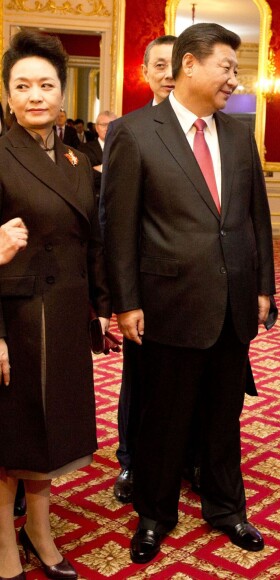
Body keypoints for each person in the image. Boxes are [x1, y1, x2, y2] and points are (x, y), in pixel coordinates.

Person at [102, 23, 275, 563]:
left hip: (234, 303)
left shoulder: (240, 133)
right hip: (166, 305)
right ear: (189, 65)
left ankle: (227, 508)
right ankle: (154, 515)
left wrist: (264, 286)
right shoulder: (135, 132)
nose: (234, 78)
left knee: (224, 416)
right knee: (164, 417)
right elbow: (120, 227)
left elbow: (257, 220)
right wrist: (125, 301)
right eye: (226, 66)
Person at [0, 30, 111, 580]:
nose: (35, 95)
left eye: (46, 84)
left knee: (50, 432)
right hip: (15, 317)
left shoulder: (76, 158)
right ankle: (5, 543)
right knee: (13, 433)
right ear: (7, 94)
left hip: (65, 313)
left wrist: (103, 306)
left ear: (62, 94)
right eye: (23, 85)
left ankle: (40, 531)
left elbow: (91, 240)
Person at [109, 34, 176, 505]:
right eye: (160, 65)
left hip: (195, 287)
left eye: (177, 64)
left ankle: (184, 458)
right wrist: (123, 297)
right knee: (140, 380)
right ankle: (131, 461)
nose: (169, 73)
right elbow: (115, 219)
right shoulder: (127, 128)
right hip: (148, 285)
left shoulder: (213, 129)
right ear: (146, 72)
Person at [79, 110, 118, 199]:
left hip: (117, 199)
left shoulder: (124, 149)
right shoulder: (84, 149)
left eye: (111, 125)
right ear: (96, 128)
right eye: (104, 125)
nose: (107, 128)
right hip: (95, 199)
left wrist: (102, 168)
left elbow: (126, 176)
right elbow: (85, 175)